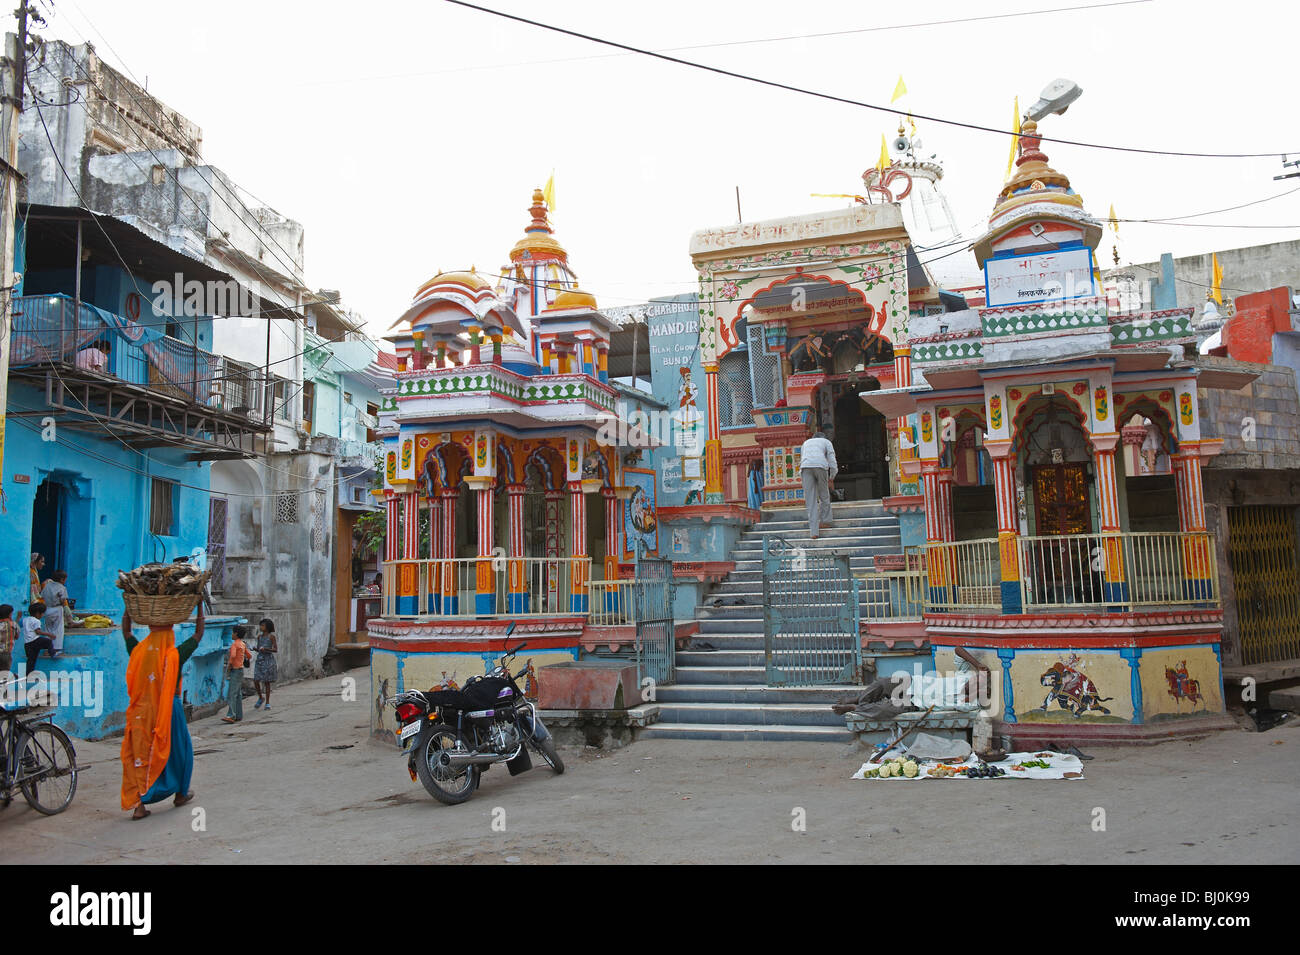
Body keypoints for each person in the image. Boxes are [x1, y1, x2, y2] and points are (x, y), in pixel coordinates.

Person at [120, 606, 203, 820]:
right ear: (170, 634)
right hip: (169, 710)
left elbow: (127, 633)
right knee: (180, 751)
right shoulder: (174, 654)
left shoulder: (138, 651)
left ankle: (139, 805)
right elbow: (198, 634)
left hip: (141, 711)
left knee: (140, 754)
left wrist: (127, 607)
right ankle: (180, 794)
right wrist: (200, 606)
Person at [799, 425, 838, 539]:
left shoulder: (806, 443)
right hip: (821, 466)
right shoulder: (826, 442)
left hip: (805, 467)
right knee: (824, 495)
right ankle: (826, 521)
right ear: (824, 437)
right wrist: (832, 476)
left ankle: (814, 532)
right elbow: (832, 461)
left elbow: (802, 458)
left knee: (810, 499)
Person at [222, 626, 250, 723]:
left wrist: (229, 666)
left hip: (235, 669)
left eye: (233, 633)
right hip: (241, 670)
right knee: (238, 693)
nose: (232, 634)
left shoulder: (234, 644)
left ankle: (231, 715)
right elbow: (249, 655)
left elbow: (233, 656)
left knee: (232, 693)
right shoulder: (242, 644)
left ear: (236, 634)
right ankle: (239, 714)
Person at [21, 602, 57, 677]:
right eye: (42, 613)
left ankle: (28, 675)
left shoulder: (25, 619)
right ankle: (52, 653)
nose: (42, 615)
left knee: (31, 660)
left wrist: (18, 617)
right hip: (35, 641)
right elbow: (38, 632)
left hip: (27, 644)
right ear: (38, 613)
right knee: (48, 641)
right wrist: (49, 634)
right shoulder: (36, 621)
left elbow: (20, 624)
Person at [40, 570, 71, 657]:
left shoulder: (47, 586)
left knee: (48, 629)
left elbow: (42, 596)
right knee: (58, 629)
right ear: (62, 579)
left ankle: (46, 650)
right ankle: (56, 649)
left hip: (47, 609)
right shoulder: (62, 588)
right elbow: (63, 600)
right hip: (57, 609)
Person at [252, 618, 278, 709]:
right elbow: (259, 648)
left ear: (267, 627)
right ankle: (260, 697)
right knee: (256, 680)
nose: (261, 627)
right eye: (261, 625)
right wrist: (255, 648)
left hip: (268, 660)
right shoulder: (259, 637)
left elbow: (275, 649)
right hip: (260, 660)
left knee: (267, 682)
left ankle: (267, 702)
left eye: (263, 625)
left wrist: (266, 649)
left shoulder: (271, 637)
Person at [0, 605, 16, 675]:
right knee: (4, 674)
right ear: (10, 615)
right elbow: (17, 636)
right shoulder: (13, 624)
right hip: (5, 653)